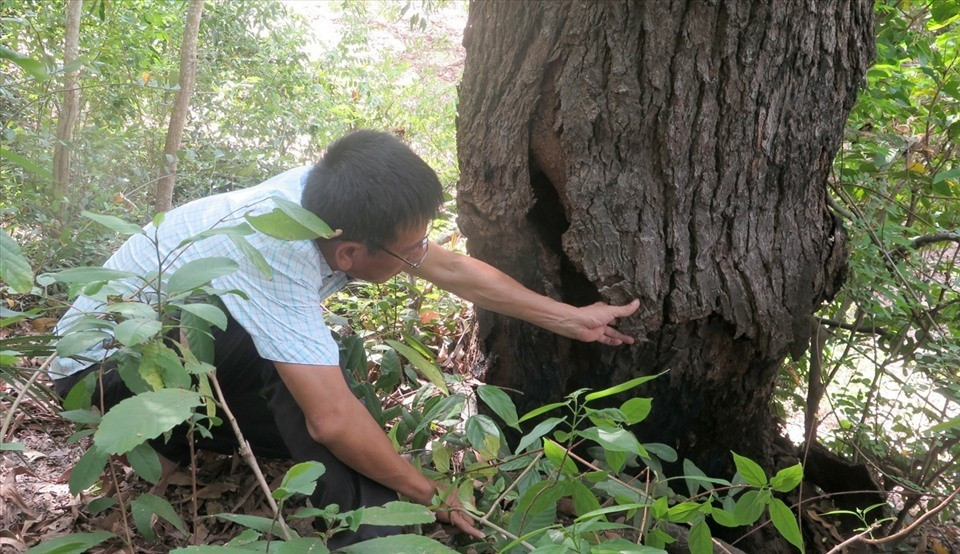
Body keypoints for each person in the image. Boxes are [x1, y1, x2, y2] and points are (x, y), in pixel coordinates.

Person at [50, 130, 640, 546]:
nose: (419, 257)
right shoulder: (276, 256)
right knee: (313, 392)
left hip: (180, 365)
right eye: (408, 252)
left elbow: (451, 268)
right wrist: (428, 489)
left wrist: (569, 318)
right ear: (350, 252)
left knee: (331, 401)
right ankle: (375, 537)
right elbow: (331, 418)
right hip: (105, 378)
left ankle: (188, 444)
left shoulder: (336, 197)